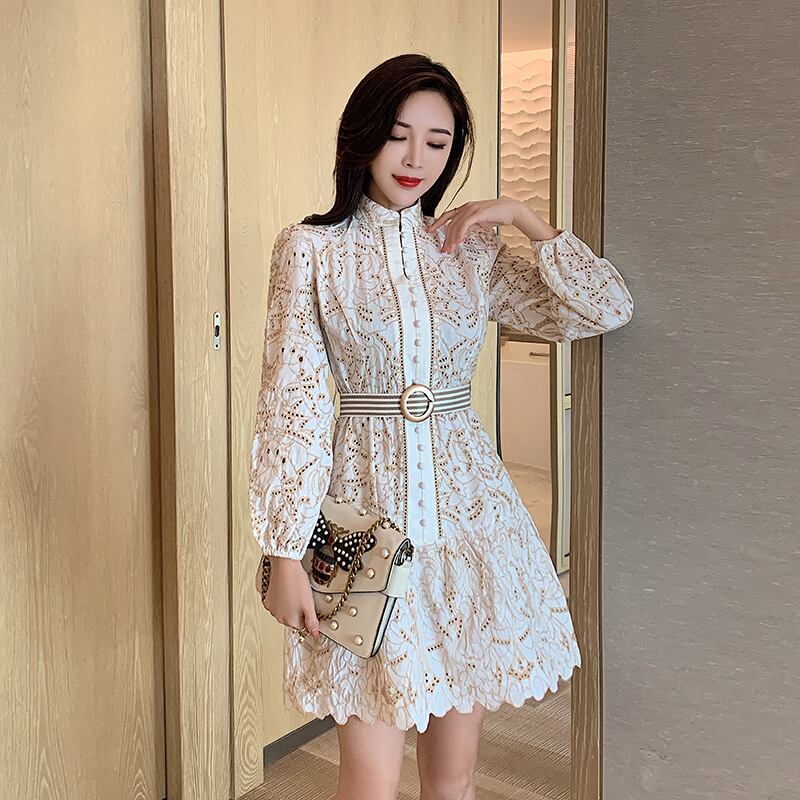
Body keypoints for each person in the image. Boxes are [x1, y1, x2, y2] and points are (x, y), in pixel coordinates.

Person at [249, 53, 634, 800]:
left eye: (438, 141)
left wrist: (524, 218)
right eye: (399, 134)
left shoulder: (470, 250)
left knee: (452, 780)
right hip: (364, 525)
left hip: (468, 527)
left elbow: (605, 308)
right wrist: (284, 547)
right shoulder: (311, 249)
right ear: (363, 135)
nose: (415, 158)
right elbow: (291, 404)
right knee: (368, 782)